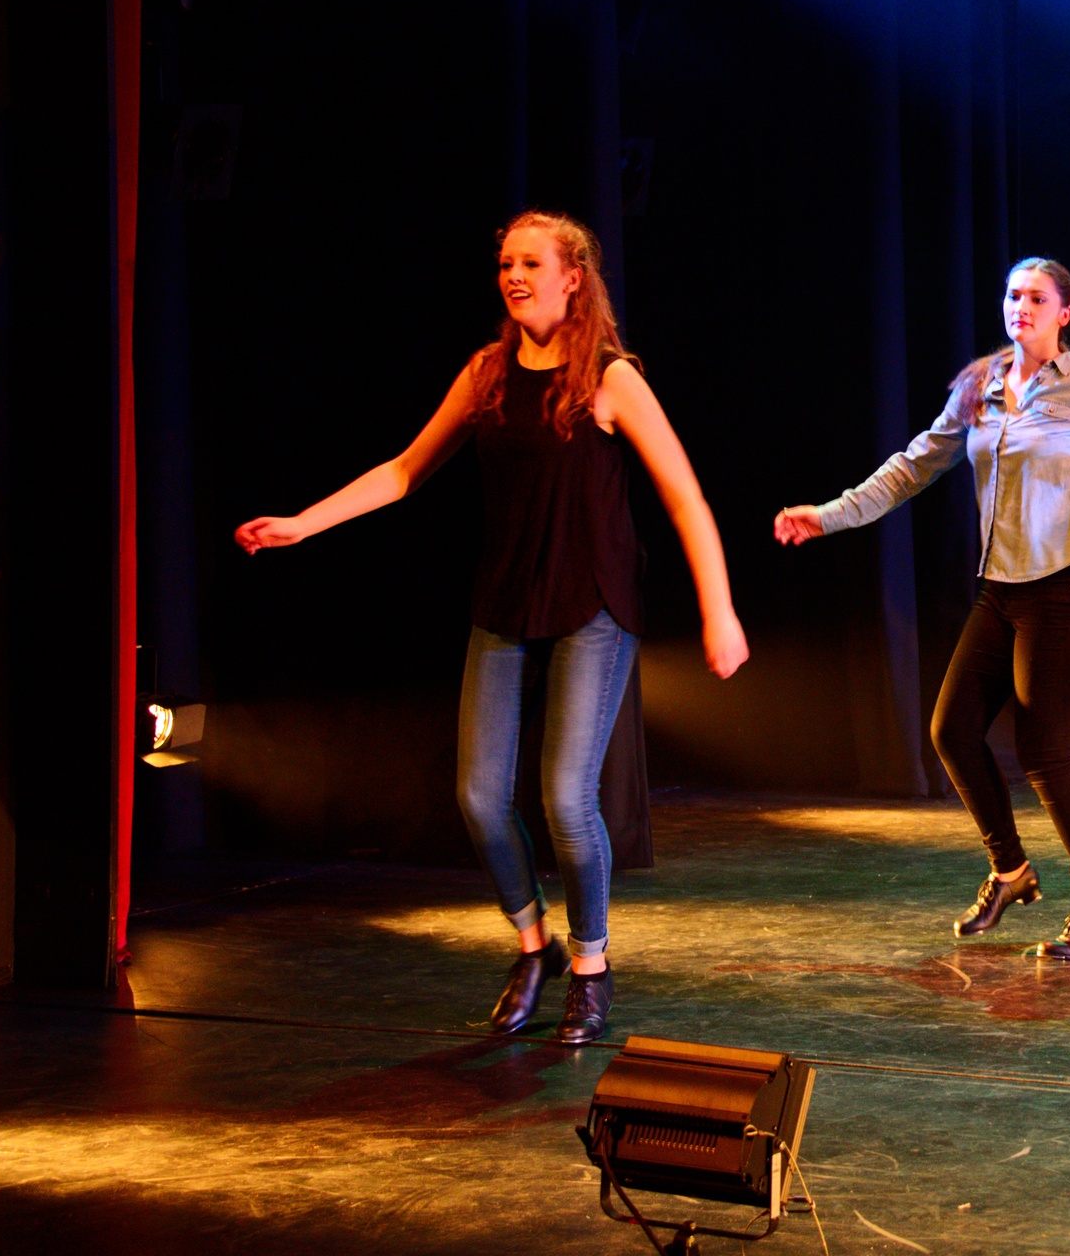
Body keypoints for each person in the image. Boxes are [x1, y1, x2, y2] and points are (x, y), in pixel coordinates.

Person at [235, 210, 748, 1045]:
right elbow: (404, 471)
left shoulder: (611, 379)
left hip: (592, 602)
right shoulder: (486, 374)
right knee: (478, 797)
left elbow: (685, 497)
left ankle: (591, 965)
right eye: (506, 263)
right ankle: (532, 946)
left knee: (566, 798)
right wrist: (303, 524)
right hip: (507, 600)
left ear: (572, 277)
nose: (514, 276)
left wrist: (718, 610)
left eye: (531, 263)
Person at [774, 258, 1070, 960]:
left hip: (1067, 586)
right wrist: (828, 516)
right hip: (1001, 588)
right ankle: (1011, 871)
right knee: (951, 731)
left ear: (1065, 313)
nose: (1020, 307)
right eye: (1012, 295)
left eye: (1036, 298)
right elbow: (913, 465)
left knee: (1044, 751)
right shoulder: (982, 388)